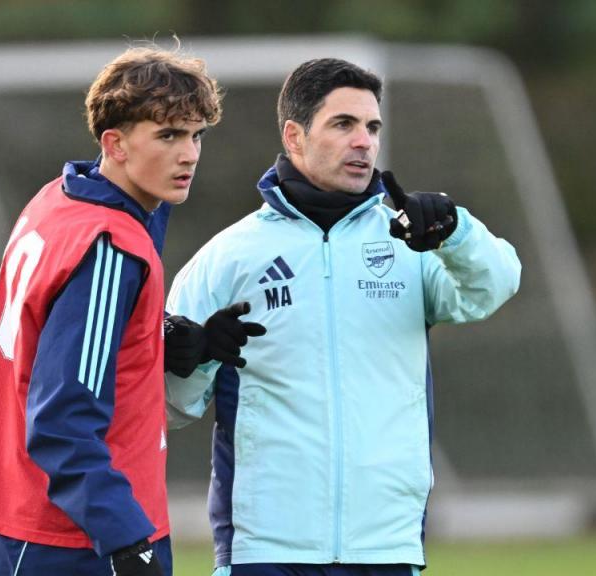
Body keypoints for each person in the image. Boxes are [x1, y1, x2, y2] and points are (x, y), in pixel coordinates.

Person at [164, 58, 522, 575]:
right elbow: (171, 408)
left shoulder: (413, 242)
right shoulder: (228, 257)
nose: (364, 142)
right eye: (343, 124)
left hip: (386, 545)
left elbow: (492, 287)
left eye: (372, 127)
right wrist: (196, 360)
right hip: (264, 549)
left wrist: (456, 229)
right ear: (294, 135)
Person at [0, 44, 239, 576]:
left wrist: (165, 337)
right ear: (114, 143)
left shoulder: (61, 199)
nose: (189, 154)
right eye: (168, 136)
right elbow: (62, 421)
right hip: (68, 537)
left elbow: (54, 331)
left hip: (7, 515)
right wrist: (125, 538)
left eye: (195, 134)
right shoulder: (109, 247)